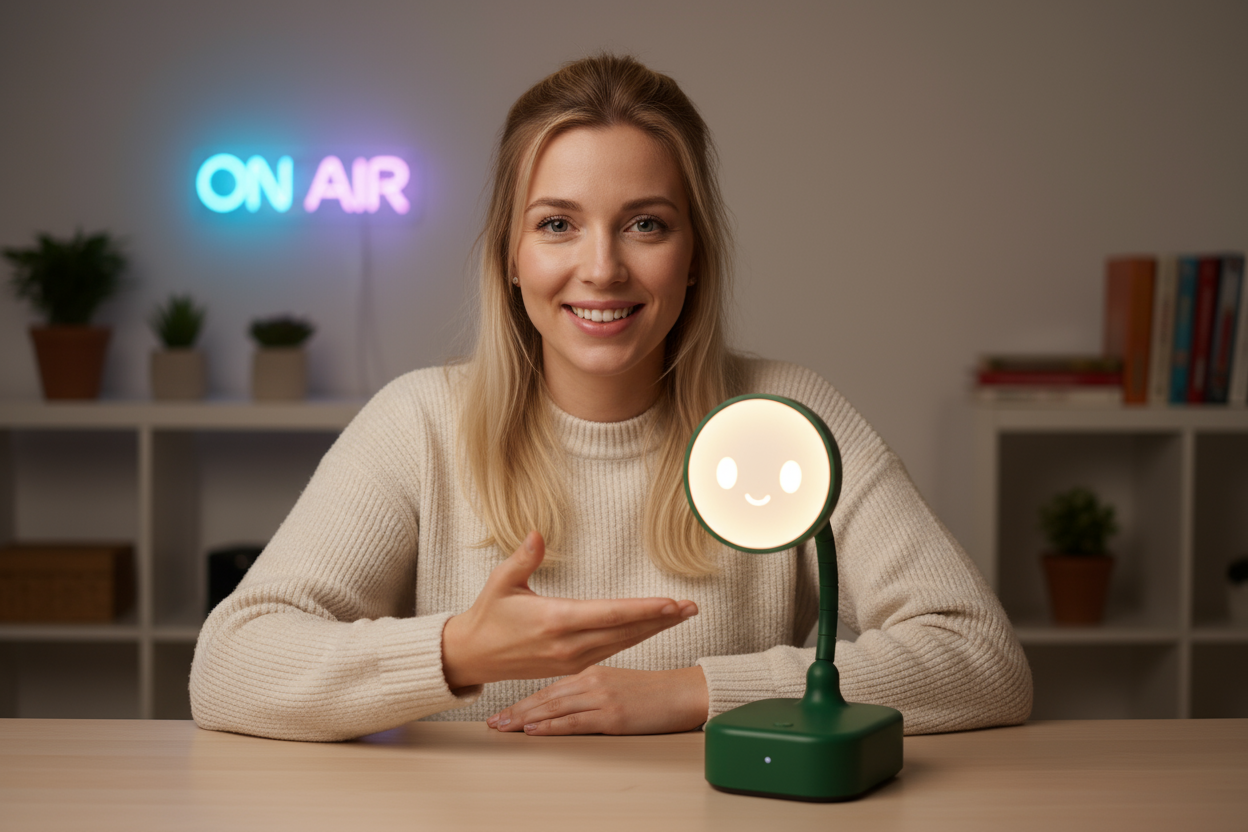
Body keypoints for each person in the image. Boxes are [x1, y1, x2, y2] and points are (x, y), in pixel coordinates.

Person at [189, 54, 1032, 742]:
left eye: (647, 224)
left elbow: (981, 657)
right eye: (557, 224)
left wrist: (696, 692)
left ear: (693, 253)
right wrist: (457, 652)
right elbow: (229, 667)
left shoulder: (786, 413)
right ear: (510, 257)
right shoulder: (420, 424)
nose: (602, 269)